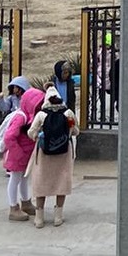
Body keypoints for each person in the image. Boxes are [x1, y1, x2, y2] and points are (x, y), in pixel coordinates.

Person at [27, 86, 78, 228]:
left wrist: (39, 136)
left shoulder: (41, 115)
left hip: (44, 153)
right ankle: (58, 217)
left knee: (41, 183)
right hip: (63, 153)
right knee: (61, 182)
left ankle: (39, 218)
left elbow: (31, 132)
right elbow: (75, 131)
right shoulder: (68, 113)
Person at [0, 86, 43, 222]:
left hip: (24, 154)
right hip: (17, 155)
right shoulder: (21, 117)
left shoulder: (29, 117)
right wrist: (18, 154)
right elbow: (9, 137)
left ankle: (26, 202)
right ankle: (13, 207)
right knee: (15, 179)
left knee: (24, 178)